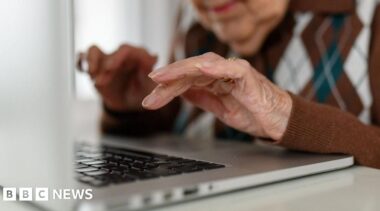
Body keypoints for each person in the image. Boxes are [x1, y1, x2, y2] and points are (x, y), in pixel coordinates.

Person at [81, 0, 380, 169]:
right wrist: (132, 107)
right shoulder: (195, 20)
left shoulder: (369, 16)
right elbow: (187, 128)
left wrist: (286, 115)